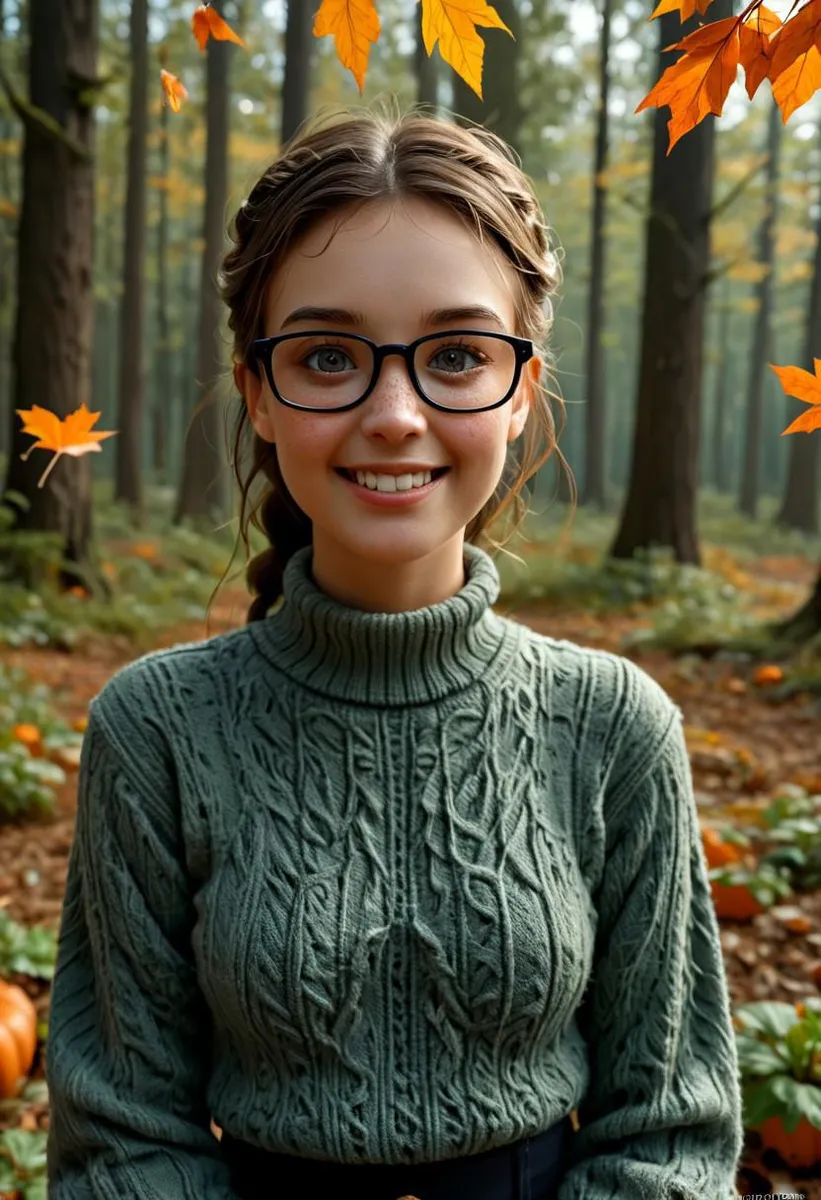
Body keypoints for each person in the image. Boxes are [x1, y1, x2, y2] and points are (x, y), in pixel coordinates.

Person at [45, 105, 744, 1200]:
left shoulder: (613, 726)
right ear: (257, 393)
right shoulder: (158, 729)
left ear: (518, 394)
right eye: (328, 355)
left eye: (456, 355)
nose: (393, 412)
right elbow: (125, 1138)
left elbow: (669, 1129)